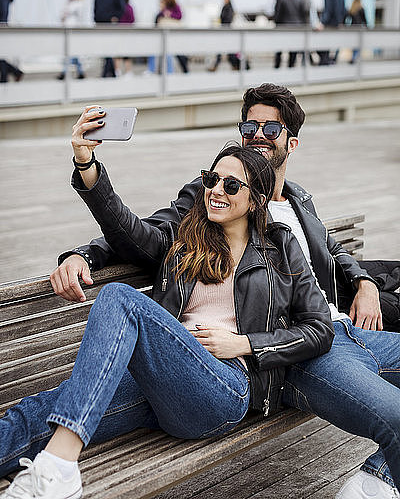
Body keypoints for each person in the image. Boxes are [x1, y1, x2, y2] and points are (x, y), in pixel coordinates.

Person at [53, 83, 400, 498]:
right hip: (301, 348)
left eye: (269, 129)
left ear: (292, 142)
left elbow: (329, 248)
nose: (256, 134)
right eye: (248, 125)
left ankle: (379, 476)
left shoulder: (298, 200)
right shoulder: (215, 194)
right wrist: (86, 253)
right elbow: (151, 235)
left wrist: (361, 281)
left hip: (343, 327)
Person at [0, 131, 335, 499]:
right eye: (211, 179)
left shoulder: (279, 246)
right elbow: (126, 230)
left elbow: (319, 328)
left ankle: (60, 466)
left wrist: (245, 343)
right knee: (36, 412)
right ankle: (56, 466)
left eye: (231, 185)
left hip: (224, 388)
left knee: (118, 298)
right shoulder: (184, 240)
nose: (216, 190)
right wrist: (86, 167)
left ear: (255, 201)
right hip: (162, 382)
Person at [93, 0, 125, 78]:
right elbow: (95, 7)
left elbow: (122, 8)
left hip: (111, 25)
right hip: (100, 24)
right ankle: (109, 71)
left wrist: (115, 18)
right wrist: (95, 19)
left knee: (110, 48)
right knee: (104, 49)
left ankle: (108, 72)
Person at [274, 0, 305, 68]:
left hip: (284, 28)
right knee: (293, 50)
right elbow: (302, 14)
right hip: (296, 28)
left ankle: (277, 66)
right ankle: (291, 67)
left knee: (279, 49)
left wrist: (277, 24)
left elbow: (277, 14)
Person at [57, 0, 85, 80]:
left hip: (74, 31)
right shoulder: (67, 3)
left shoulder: (79, 3)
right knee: (71, 53)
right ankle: (80, 71)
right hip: (66, 30)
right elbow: (62, 14)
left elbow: (79, 17)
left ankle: (65, 72)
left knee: (70, 52)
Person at [208, 0, 240, 72]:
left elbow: (228, 19)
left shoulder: (228, 8)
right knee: (225, 50)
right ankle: (234, 66)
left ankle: (234, 65)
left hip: (226, 32)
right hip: (224, 31)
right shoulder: (225, 7)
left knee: (228, 51)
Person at [318, 0, 346, 66]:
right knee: (336, 44)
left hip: (329, 25)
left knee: (322, 45)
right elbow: (344, 10)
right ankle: (333, 61)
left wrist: (322, 22)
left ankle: (325, 62)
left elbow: (328, 10)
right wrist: (341, 21)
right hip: (338, 24)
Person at [0, 0, 24, 83]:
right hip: (4, 28)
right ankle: (13, 73)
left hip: (1, 29)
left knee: (1, 56)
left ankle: (8, 75)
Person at [114, 0, 136, 77]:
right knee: (126, 55)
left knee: (118, 54)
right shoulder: (129, 8)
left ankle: (117, 71)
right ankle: (128, 71)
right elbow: (133, 20)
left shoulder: (119, 8)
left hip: (120, 33)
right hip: (128, 34)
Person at [348, 0, 368, 64]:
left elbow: (347, 18)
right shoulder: (361, 9)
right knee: (358, 43)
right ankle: (354, 57)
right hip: (359, 29)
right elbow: (364, 20)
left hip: (352, 28)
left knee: (354, 44)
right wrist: (366, 27)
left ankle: (354, 57)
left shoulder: (352, 9)